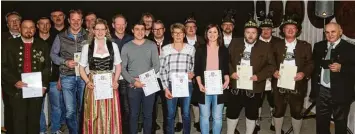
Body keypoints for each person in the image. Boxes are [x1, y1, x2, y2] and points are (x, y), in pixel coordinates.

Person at [227, 18, 275, 134]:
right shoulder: (234, 42)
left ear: (257, 34)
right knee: (232, 113)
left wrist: (259, 76)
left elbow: (271, 66)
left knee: (252, 114)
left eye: (253, 33)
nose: (250, 35)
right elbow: (226, 60)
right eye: (248, 32)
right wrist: (231, 72)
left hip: (255, 86)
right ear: (244, 33)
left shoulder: (265, 46)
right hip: (236, 86)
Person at [1, 20, 51, 134]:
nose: (28, 30)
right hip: (16, 89)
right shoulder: (9, 44)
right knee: (18, 120)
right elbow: (3, 66)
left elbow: (47, 67)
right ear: (19, 29)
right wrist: (14, 81)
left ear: (35, 29)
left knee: (34, 120)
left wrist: (43, 86)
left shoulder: (43, 45)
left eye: (31, 27)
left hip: (36, 89)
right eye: (25, 27)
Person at [79, 18, 122, 134]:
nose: (100, 32)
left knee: (109, 113)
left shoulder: (113, 46)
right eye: (97, 29)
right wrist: (88, 81)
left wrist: (116, 81)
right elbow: (81, 68)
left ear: (106, 30)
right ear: (93, 30)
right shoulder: (87, 47)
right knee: (93, 113)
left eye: (102, 29)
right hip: (93, 83)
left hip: (109, 82)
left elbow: (118, 66)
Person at [272, 15, 314, 134]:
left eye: (293, 28)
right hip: (279, 82)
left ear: (297, 30)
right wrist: (274, 70)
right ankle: (277, 132)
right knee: (278, 110)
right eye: (287, 28)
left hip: (298, 83)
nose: (290, 30)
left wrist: (304, 73)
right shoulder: (276, 45)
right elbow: (269, 62)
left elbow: (310, 63)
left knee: (296, 111)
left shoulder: (305, 46)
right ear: (283, 30)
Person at [311, 22, 355, 134]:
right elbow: (314, 69)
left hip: (341, 93)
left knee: (340, 124)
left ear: (340, 32)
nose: (330, 35)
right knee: (321, 123)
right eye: (327, 32)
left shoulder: (350, 48)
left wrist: (342, 68)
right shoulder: (318, 46)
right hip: (322, 91)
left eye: (333, 32)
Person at [50, 9, 88, 134]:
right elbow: (53, 55)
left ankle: (83, 131)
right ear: (69, 20)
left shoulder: (89, 35)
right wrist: (65, 62)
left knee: (84, 108)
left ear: (82, 21)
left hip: (84, 78)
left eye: (78, 20)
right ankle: (73, 131)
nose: (76, 22)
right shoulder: (61, 36)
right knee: (70, 110)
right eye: (73, 19)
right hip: (67, 76)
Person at [120, 21, 160, 134]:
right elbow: (122, 68)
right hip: (133, 85)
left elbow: (156, 66)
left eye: (142, 29)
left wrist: (143, 78)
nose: (140, 32)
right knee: (134, 114)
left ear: (145, 30)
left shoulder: (152, 45)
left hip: (149, 83)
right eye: (137, 29)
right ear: (132, 31)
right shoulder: (126, 46)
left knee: (148, 114)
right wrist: (133, 81)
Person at [159, 23, 195, 134]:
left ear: (184, 34)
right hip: (170, 85)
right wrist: (165, 88)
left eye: (180, 33)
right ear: (172, 35)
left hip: (186, 85)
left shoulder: (191, 49)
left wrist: (192, 74)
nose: (178, 35)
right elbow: (162, 70)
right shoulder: (165, 49)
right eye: (176, 33)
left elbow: (193, 67)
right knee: (170, 114)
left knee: (186, 113)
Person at [194, 24, 230, 134]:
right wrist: (199, 84)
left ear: (219, 34)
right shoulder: (200, 49)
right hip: (204, 87)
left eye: (215, 32)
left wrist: (227, 80)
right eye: (210, 32)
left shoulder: (224, 50)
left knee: (218, 117)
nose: (212, 34)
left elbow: (225, 68)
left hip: (219, 87)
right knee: (204, 116)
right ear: (206, 34)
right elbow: (198, 69)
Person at [35, 17, 63, 134]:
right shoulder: (33, 41)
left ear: (50, 26)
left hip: (54, 78)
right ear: (37, 25)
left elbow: (62, 60)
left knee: (57, 106)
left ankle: (55, 129)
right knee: (38, 107)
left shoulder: (56, 39)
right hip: (38, 80)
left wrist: (61, 78)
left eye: (47, 24)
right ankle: (41, 130)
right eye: (42, 24)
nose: (45, 26)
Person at [255, 14, 282, 133]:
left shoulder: (279, 42)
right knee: (257, 102)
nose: (266, 31)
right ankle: (256, 123)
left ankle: (273, 124)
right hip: (258, 77)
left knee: (275, 102)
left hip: (274, 77)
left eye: (268, 29)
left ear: (272, 30)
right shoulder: (254, 42)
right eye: (263, 29)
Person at [111, 13, 134, 134]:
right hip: (111, 79)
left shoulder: (131, 39)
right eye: (117, 24)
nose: (120, 27)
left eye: (122, 24)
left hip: (126, 78)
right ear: (113, 25)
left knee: (127, 108)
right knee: (112, 109)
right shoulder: (107, 39)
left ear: (126, 25)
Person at [183, 14, 205, 132]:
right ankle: (181, 122)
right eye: (188, 27)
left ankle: (197, 121)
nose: (191, 29)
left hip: (198, 74)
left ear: (196, 28)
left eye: (193, 26)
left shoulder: (203, 40)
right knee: (181, 100)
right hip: (183, 75)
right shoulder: (179, 39)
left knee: (197, 99)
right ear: (184, 29)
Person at [1, 11, 22, 133]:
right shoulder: (1, 38)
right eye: (11, 21)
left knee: (25, 109)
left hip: (27, 79)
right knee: (9, 107)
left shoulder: (28, 36)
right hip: (8, 80)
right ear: (7, 24)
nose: (14, 23)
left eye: (17, 20)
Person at [151, 20, 170, 133]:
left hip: (166, 79)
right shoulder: (147, 42)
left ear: (164, 30)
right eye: (155, 29)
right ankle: (152, 129)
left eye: (160, 29)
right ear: (152, 30)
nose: (157, 31)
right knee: (151, 107)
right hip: (152, 79)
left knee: (167, 108)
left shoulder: (171, 42)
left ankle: (167, 130)